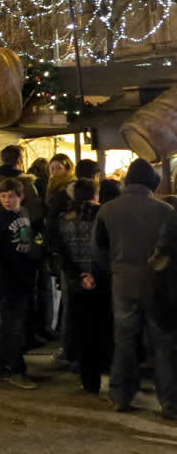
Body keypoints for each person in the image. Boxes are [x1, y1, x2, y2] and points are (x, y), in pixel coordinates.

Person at [93, 158, 175, 416]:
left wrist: (116, 269)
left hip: (123, 284)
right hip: (158, 286)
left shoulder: (107, 210)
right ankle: (170, 401)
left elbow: (98, 251)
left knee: (125, 341)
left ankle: (120, 395)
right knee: (163, 344)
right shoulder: (166, 211)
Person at [55, 178, 111, 394]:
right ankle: (106, 370)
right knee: (102, 329)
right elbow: (105, 249)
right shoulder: (103, 215)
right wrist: (95, 275)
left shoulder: (63, 219)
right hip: (101, 281)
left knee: (83, 331)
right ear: (95, 194)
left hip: (77, 283)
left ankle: (89, 381)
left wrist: (79, 276)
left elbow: (61, 252)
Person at [0, 178, 41, 389]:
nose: (7, 200)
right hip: (9, 279)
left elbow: (27, 241)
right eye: (3, 196)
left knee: (10, 324)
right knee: (13, 326)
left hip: (24, 277)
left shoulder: (23, 213)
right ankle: (16, 370)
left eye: (11, 196)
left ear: (21, 196)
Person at [0, 145, 41, 227]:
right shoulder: (26, 184)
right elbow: (35, 210)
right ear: (19, 160)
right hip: (20, 231)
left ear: (2, 159)